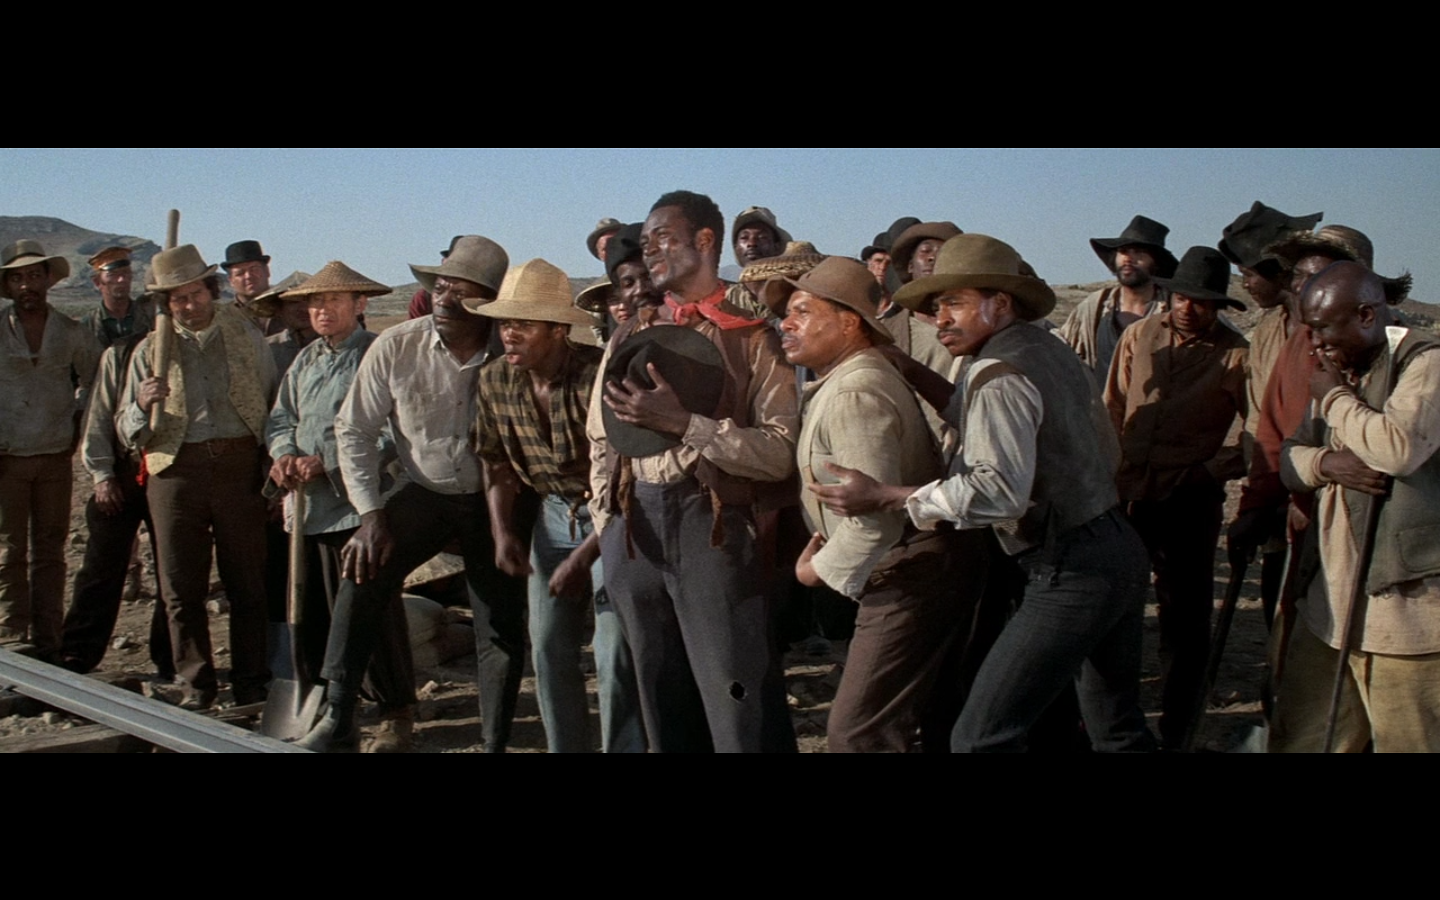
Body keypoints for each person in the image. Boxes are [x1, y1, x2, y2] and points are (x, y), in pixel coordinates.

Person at [809, 233, 1155, 753]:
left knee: (981, 736)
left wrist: (888, 495)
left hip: (1070, 567)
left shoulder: (998, 373)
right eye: (935, 307)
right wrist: (910, 368)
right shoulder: (1040, 349)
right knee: (1115, 728)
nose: (940, 319)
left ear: (1002, 303)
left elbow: (997, 491)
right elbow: (985, 419)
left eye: (955, 303)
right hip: (1113, 547)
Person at [296, 236, 526, 752]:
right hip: (425, 488)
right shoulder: (398, 345)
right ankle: (338, 716)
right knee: (363, 574)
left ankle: (495, 740)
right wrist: (370, 514)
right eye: (440, 287)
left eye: (461, 291)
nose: (444, 300)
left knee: (500, 622)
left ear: (488, 302)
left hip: (497, 498)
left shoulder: (510, 350)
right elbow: (354, 429)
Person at [590, 190, 797, 752]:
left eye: (664, 238)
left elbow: (780, 451)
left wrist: (686, 425)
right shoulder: (630, 332)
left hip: (713, 527)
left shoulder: (751, 336)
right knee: (661, 698)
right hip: (634, 529)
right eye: (646, 242)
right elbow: (599, 436)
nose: (650, 251)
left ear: (706, 241)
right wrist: (607, 522)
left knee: (737, 700)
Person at [766, 256, 982, 752]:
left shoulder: (855, 391)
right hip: (915, 568)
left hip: (907, 572)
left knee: (858, 733)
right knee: (921, 717)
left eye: (803, 311)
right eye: (787, 313)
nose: (786, 324)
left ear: (848, 323)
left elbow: (874, 522)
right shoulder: (848, 379)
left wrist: (815, 572)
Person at [473, 258, 645, 753]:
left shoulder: (598, 377)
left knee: (613, 649)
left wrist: (584, 557)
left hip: (613, 517)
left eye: (523, 325)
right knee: (547, 647)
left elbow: (623, 479)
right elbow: (495, 464)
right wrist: (503, 533)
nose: (509, 335)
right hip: (552, 515)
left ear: (557, 330)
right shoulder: (495, 380)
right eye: (505, 324)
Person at [1272, 261, 1440, 752]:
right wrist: (1327, 463)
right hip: (1331, 608)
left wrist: (1335, 400)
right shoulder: (1341, 371)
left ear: (1366, 315)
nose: (1314, 342)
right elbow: (1291, 458)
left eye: (1323, 327)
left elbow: (1397, 449)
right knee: (1303, 740)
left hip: (1406, 620)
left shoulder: (1424, 364)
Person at [265, 260, 417, 752]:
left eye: (333, 300)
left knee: (369, 610)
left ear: (360, 304)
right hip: (308, 508)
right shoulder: (306, 359)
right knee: (314, 614)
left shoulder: (376, 353)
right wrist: (284, 454)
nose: (322, 310)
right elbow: (282, 418)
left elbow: (394, 430)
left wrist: (326, 461)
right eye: (315, 302)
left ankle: (395, 710)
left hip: (358, 507)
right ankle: (334, 710)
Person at [1104, 246, 1250, 747]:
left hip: (1190, 501)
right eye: (1182, 298)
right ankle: (1109, 726)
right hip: (1127, 495)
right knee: (1113, 610)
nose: (1189, 308)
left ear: (1218, 306)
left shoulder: (1236, 354)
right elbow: (1113, 407)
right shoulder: (1140, 336)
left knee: (1185, 622)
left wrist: (1209, 471)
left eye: (1201, 301)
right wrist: (1108, 473)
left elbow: (1253, 433)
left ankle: (1179, 731)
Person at [121, 244, 277, 708]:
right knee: (179, 587)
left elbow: (272, 398)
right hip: (175, 471)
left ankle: (252, 683)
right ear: (166, 304)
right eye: (178, 299)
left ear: (211, 290)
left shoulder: (246, 335)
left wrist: (271, 458)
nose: (189, 305)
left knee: (247, 582)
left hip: (238, 466)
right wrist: (141, 404)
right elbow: (126, 428)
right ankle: (196, 685)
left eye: (196, 294)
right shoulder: (150, 350)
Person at [0, 241, 101, 658]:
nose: (27, 285)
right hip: (6, 458)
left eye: (34, 276)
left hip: (55, 456)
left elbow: (96, 381)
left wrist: (79, 422)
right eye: (18, 278)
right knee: (7, 550)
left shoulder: (71, 331)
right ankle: (10, 638)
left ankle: (48, 640)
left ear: (47, 280)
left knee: (50, 551)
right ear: (9, 285)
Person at [1057, 215, 1178, 383]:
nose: (1128, 258)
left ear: (1155, 262)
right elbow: (1062, 347)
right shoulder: (1095, 306)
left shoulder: (1174, 307)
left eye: (1139, 252)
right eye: (1123, 251)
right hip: (1102, 398)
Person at [79, 247, 157, 348]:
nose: (121, 279)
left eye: (126, 273)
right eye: (113, 274)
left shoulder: (149, 317)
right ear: (97, 282)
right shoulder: (88, 325)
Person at [725, 205, 792, 317]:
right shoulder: (725, 299)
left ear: (776, 246)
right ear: (736, 247)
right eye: (744, 238)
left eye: (762, 237)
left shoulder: (791, 295)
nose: (752, 243)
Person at [221, 240, 283, 336]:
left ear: (267, 271)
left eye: (254, 269)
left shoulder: (287, 306)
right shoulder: (222, 317)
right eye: (240, 273)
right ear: (230, 280)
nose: (248, 276)